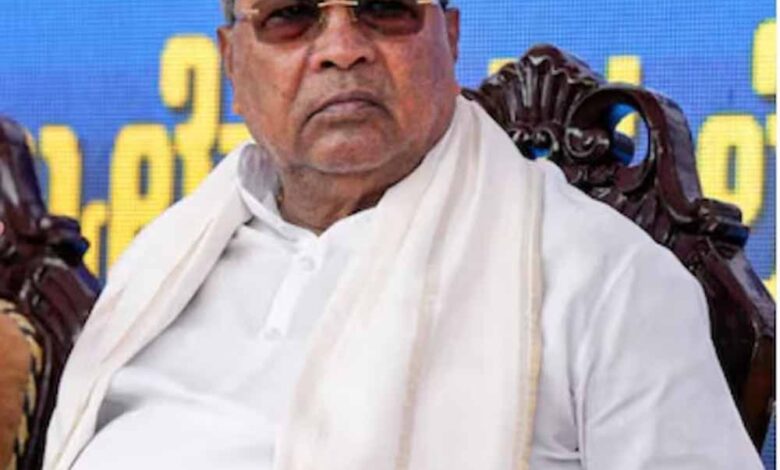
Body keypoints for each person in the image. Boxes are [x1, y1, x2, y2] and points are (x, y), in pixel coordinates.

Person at [44, 1, 762, 469]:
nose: (341, 49)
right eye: (291, 18)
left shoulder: (605, 281)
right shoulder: (166, 263)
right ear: (232, 60)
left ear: (450, 36)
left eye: (384, 10)